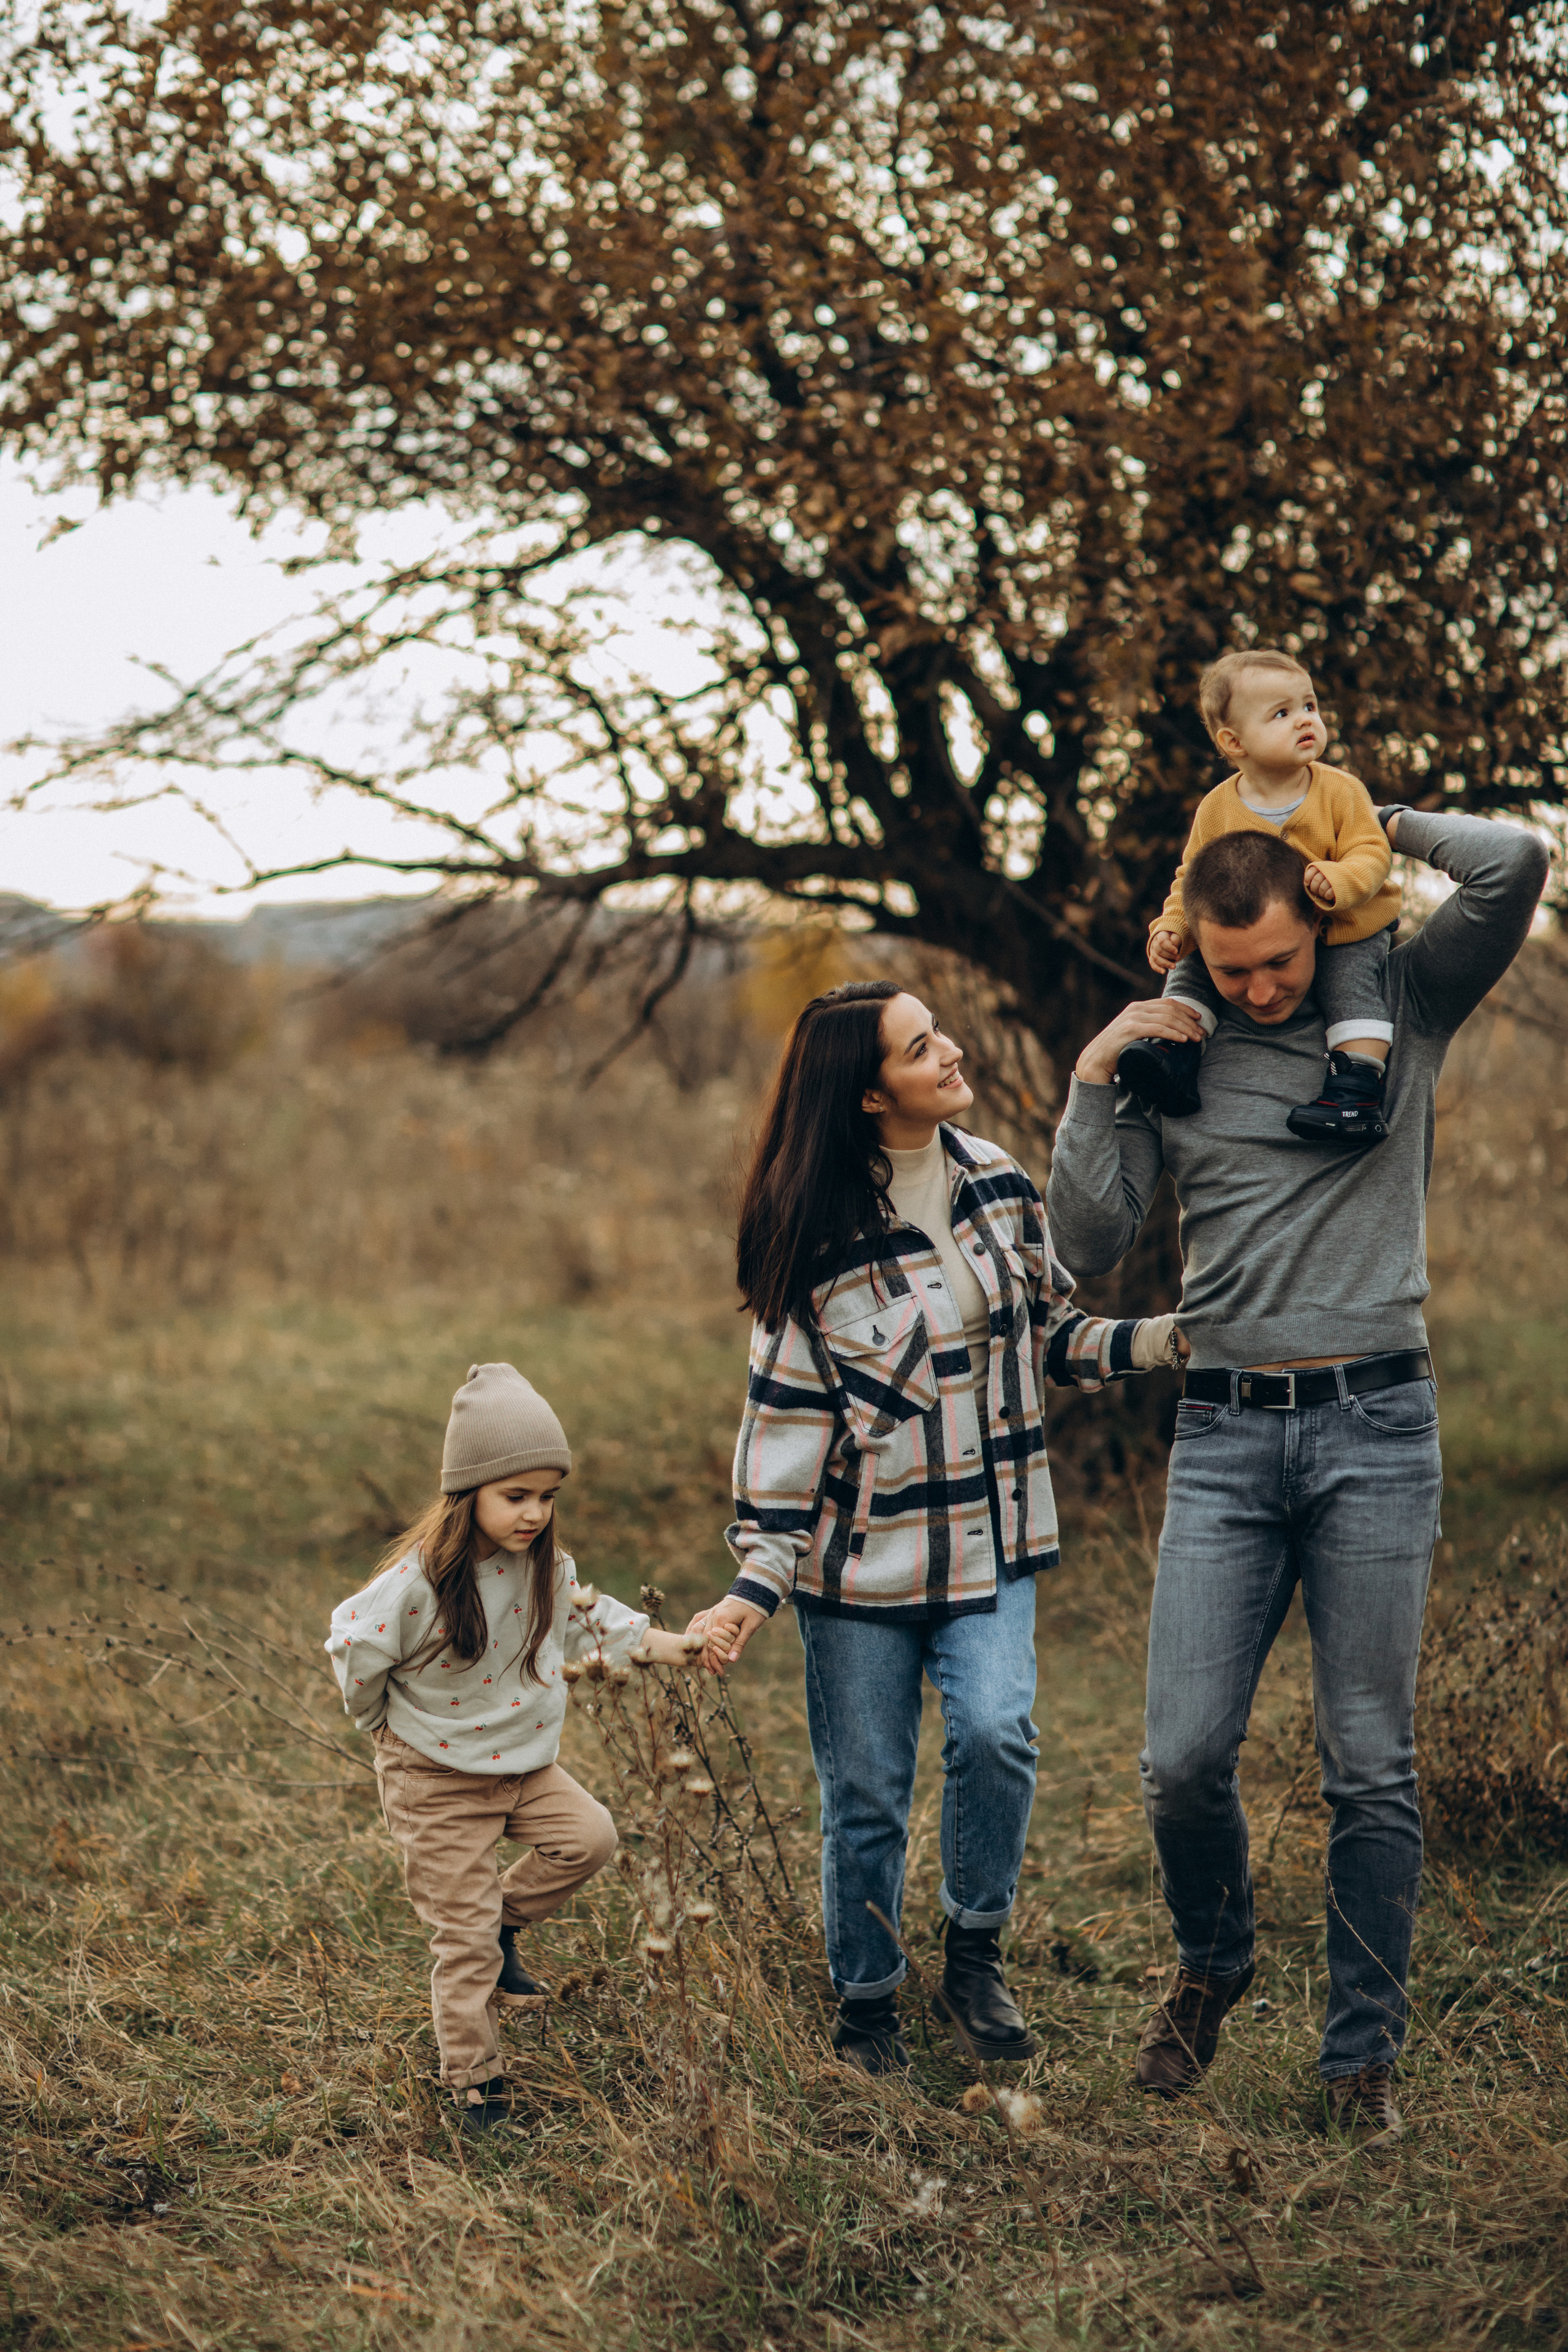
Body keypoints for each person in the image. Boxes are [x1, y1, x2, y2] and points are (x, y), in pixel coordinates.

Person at [1046, 807, 1548, 2142]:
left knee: (1366, 1763)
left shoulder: (1394, 998)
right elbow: (1088, 1244)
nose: (1259, 990)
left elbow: (1513, 865)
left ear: (1313, 924)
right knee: (1175, 1760)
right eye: (1231, 970)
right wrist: (1098, 1069)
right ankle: (1212, 1961)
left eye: (1275, 963)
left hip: (1377, 1427)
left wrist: (1359, 823)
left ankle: (1357, 2064)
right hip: (1220, 1435)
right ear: (1193, 952)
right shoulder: (1176, 1049)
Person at [686, 982, 1186, 2075]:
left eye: (938, 1034)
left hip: (992, 1540)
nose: (951, 1052)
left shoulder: (998, 1182)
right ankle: (867, 2004)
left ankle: (973, 1952)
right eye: (923, 1048)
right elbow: (785, 1429)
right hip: (859, 1571)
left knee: (999, 1732)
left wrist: (1158, 1342)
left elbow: (1052, 1334)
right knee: (864, 1792)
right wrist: (752, 1586)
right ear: (871, 1094)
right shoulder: (814, 1236)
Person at [326, 1362, 690, 2133]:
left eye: (547, 1496)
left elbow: (605, 1627)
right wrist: (376, 1722)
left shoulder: (547, 1570)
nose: (533, 1513)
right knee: (462, 1947)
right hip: (433, 1780)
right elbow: (353, 1641)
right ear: (469, 1494)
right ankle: (475, 2084)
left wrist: (674, 1646)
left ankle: (504, 1919)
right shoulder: (420, 1581)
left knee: (589, 1838)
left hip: (522, 1769)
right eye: (515, 1496)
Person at [1117, 649, 1400, 1145]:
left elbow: (1372, 851)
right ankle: (1173, 1054)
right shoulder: (1219, 807)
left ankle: (1355, 1088)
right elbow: (1194, 880)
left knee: (1350, 985)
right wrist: (1172, 928)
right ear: (1234, 741)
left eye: (1309, 706)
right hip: (1248, 938)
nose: (1305, 721)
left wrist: (1341, 879)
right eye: (1282, 714)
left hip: (1346, 925)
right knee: (1193, 966)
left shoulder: (1339, 791)